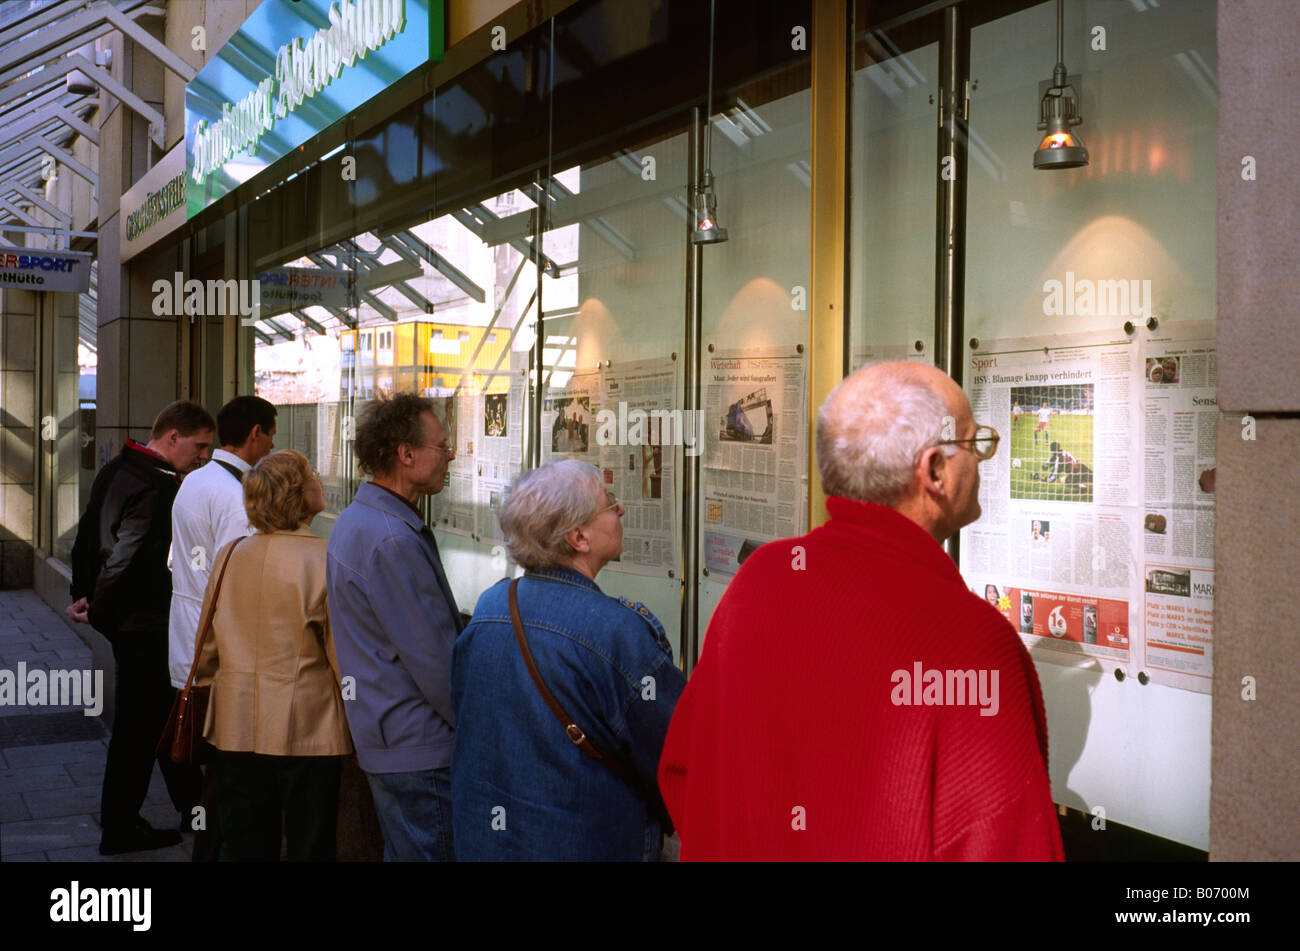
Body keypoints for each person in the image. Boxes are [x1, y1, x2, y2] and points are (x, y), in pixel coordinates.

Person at [658, 361, 1063, 861]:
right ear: (934, 470)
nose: (982, 460)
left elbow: (681, 771)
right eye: (974, 443)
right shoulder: (975, 641)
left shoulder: (759, 579)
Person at [451, 460, 686, 860]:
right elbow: (681, 748)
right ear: (579, 537)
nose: (621, 509)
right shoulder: (617, 632)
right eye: (609, 503)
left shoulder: (492, 606)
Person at [67, 400, 214, 855]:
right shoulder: (158, 487)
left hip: (131, 623)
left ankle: (193, 809)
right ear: (173, 437)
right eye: (200, 446)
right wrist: (102, 609)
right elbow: (123, 557)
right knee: (139, 732)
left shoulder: (118, 468)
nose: (204, 457)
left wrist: (83, 593)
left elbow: (87, 537)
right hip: (145, 627)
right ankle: (120, 828)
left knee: (164, 720)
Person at [190, 451, 350, 861]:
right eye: (311, 474)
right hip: (308, 727)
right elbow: (342, 656)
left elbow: (206, 648)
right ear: (298, 493)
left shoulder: (229, 555)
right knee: (311, 844)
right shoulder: (325, 559)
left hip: (235, 723)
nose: (319, 480)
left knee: (246, 845)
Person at [326, 392, 461, 861]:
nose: (451, 455)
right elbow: (435, 661)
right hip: (418, 747)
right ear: (406, 454)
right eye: (442, 446)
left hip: (390, 737)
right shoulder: (390, 539)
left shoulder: (363, 521)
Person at [167, 395, 276, 856]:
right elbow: (239, 581)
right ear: (255, 434)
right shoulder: (235, 495)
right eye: (270, 434)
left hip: (189, 640)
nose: (271, 444)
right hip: (218, 652)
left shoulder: (196, 479)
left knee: (219, 769)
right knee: (230, 771)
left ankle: (210, 849)